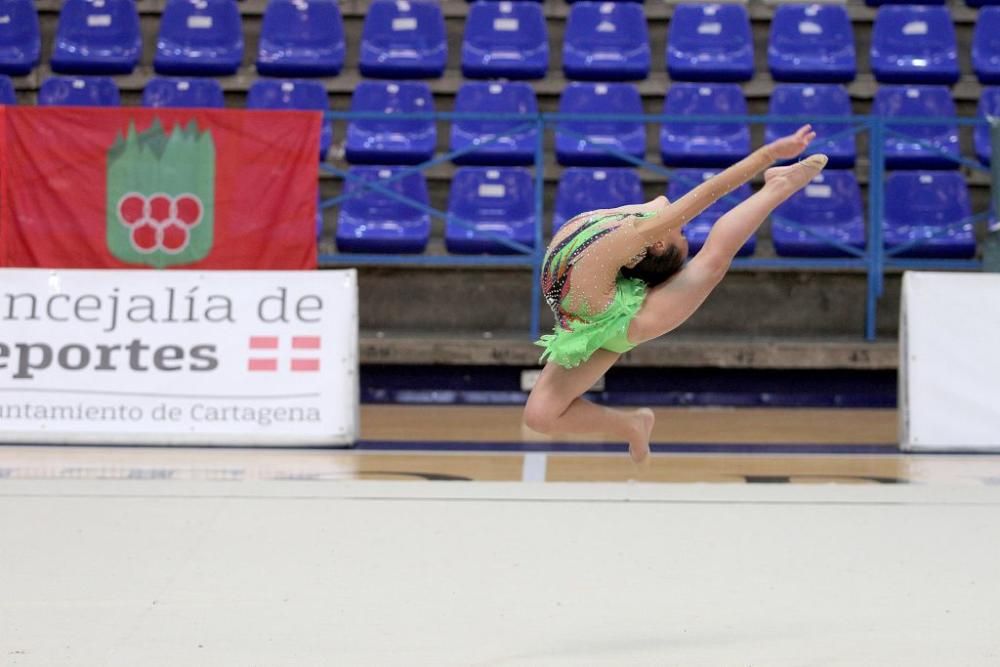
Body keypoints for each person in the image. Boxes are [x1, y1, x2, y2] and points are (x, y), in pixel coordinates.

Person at [523, 125, 827, 463]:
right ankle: (632, 425)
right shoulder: (638, 227)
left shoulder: (635, 227)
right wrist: (768, 153)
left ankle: (779, 187)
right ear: (656, 243)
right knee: (539, 416)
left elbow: (709, 198)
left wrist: (770, 157)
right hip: (583, 325)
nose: (682, 230)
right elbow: (707, 191)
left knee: (712, 263)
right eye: (680, 232)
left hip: (622, 321)